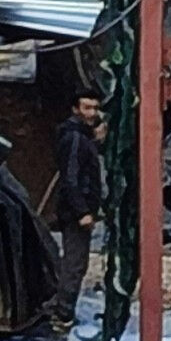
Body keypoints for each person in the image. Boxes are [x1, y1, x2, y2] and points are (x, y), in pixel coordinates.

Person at [47, 94, 108, 324]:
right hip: (75, 212)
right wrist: (82, 211)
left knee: (75, 262)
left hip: (76, 208)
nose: (92, 113)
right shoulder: (74, 137)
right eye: (87, 108)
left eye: (95, 108)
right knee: (75, 263)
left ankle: (61, 310)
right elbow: (71, 177)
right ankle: (62, 314)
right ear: (75, 109)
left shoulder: (80, 136)